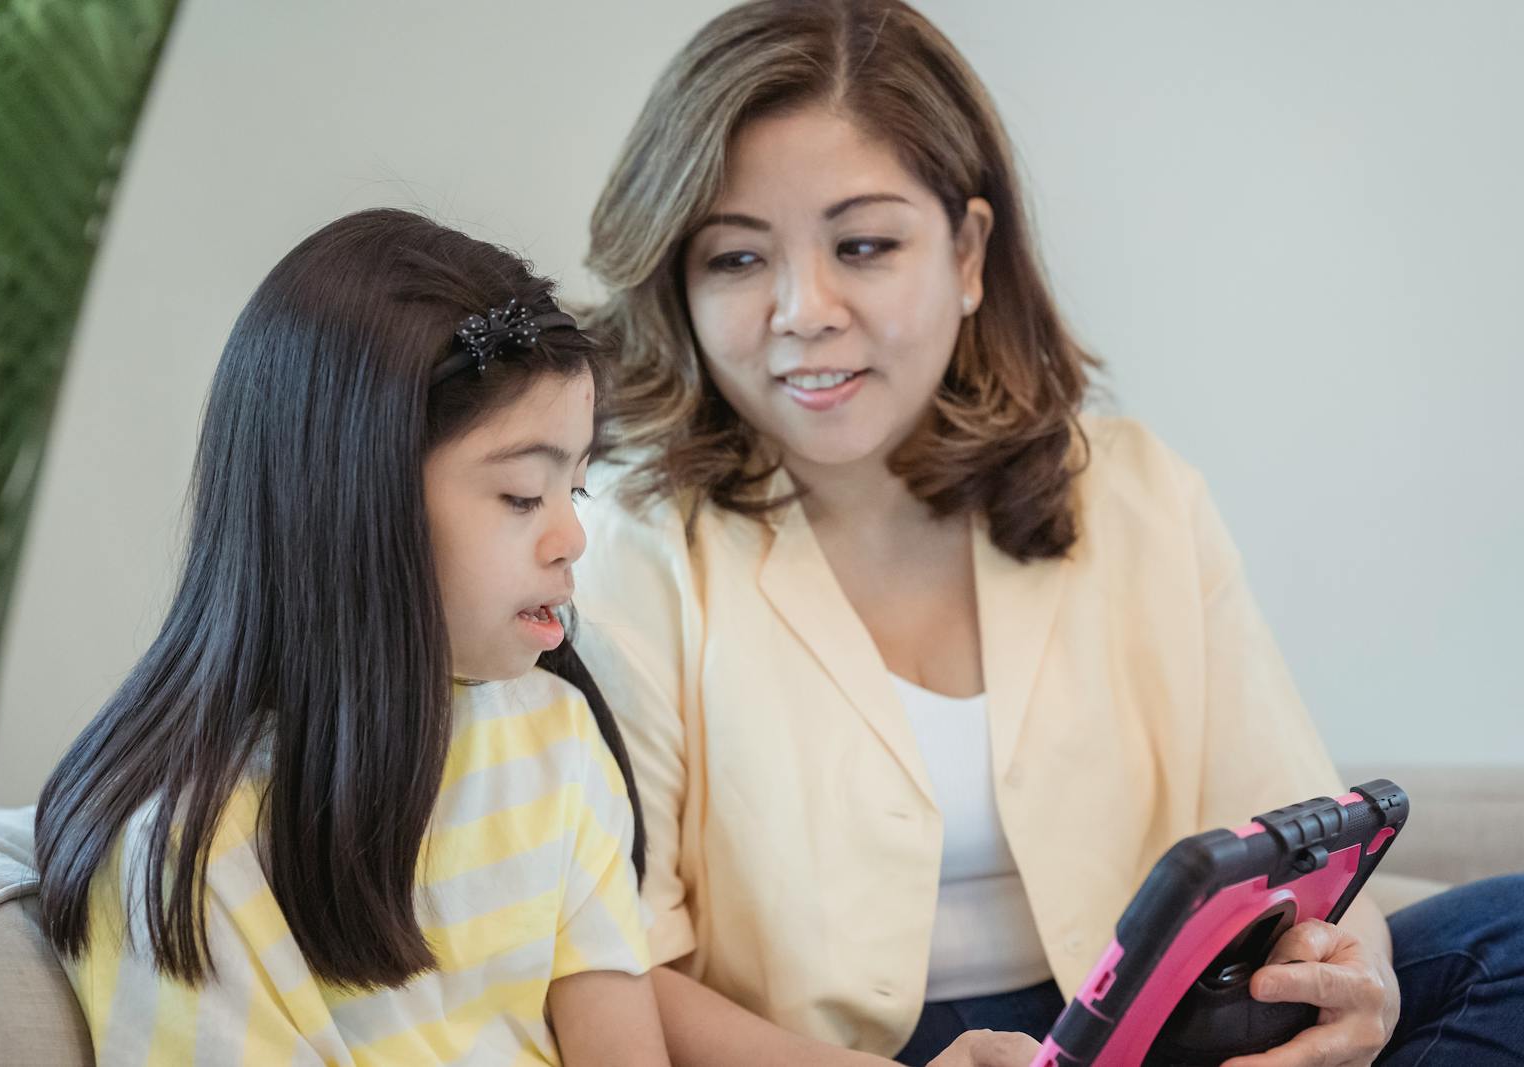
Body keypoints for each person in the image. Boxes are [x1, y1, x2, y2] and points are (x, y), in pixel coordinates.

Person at [571, 2, 1524, 1065]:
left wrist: (1356, 979)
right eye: (737, 259)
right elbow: (615, 964)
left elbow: (1297, 843)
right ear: (679, 280)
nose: (804, 308)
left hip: (1146, 1032)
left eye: (864, 244)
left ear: (969, 253)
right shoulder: (629, 543)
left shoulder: (1130, 487)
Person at [34, 209, 671, 1067]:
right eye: (524, 495)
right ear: (354, 505)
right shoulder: (187, 853)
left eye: (577, 489)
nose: (572, 537)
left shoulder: (557, 737)